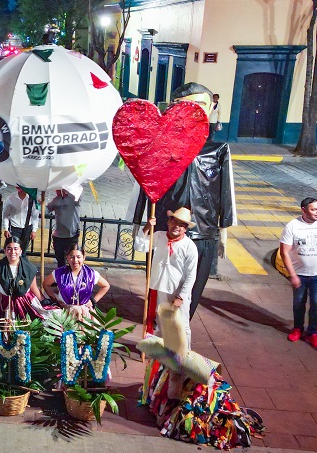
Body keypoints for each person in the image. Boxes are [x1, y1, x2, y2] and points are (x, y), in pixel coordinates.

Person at [130, 82, 236, 319]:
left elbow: (226, 192)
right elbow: (144, 184)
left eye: (199, 105)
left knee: (191, 288)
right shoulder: (160, 146)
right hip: (164, 229)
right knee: (159, 282)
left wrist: (224, 229)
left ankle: (180, 328)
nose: (191, 111)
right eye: (183, 106)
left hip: (202, 231)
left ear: (210, 108)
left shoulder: (218, 150)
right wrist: (138, 222)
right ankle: (157, 325)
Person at [142, 207, 198, 347]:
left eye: (181, 224)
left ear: (185, 228)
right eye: (174, 221)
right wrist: (147, 227)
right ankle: (164, 356)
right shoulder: (159, 236)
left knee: (182, 326)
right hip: (161, 287)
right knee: (162, 324)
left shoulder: (189, 246)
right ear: (169, 222)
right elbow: (140, 246)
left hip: (178, 291)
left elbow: (191, 275)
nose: (176, 226)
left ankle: (185, 357)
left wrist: (181, 297)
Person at [280, 197, 317, 348]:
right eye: (313, 209)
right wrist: (292, 275)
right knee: (299, 303)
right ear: (303, 210)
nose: (316, 213)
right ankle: (298, 328)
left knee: (316, 303)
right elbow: (284, 252)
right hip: (299, 274)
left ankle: (313, 332)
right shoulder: (292, 226)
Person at [42, 244, 110, 321]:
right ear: (67, 257)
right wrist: (55, 300)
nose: (75, 260)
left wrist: (94, 300)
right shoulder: (59, 273)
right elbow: (46, 284)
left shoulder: (91, 274)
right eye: (72, 257)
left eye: (78, 257)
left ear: (84, 257)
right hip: (65, 311)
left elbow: (105, 286)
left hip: (84, 312)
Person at [46, 189, 80, 267]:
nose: (57, 192)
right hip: (59, 235)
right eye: (56, 190)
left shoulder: (73, 199)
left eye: (59, 190)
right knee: (60, 259)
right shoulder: (56, 200)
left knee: (72, 258)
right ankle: (62, 275)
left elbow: (79, 194)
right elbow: (47, 210)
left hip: (72, 234)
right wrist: (41, 204)